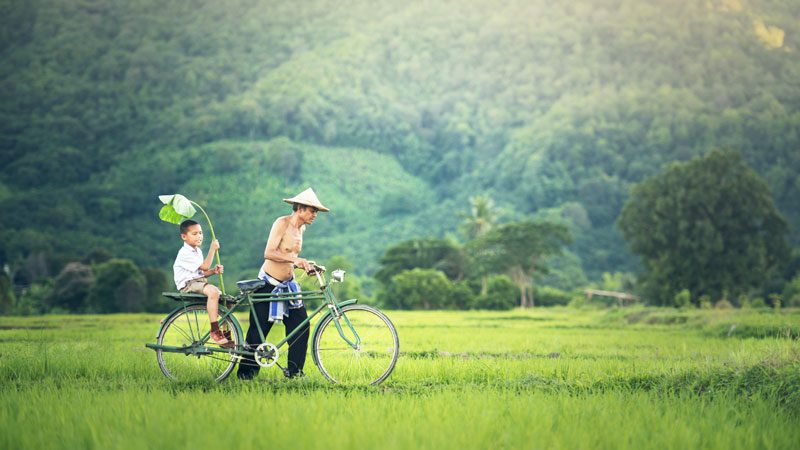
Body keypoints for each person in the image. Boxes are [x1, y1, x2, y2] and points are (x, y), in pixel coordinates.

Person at [237, 188, 330, 380]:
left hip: (289, 285)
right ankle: (245, 376)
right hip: (268, 284)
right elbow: (269, 253)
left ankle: (295, 373)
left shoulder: (301, 229)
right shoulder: (282, 223)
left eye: (316, 212)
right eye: (313, 211)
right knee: (258, 332)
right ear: (301, 208)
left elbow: (291, 257)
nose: (315, 215)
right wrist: (296, 261)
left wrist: (307, 265)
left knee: (301, 326)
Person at [172, 219, 232, 348]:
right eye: (194, 234)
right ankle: (215, 330)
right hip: (188, 284)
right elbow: (204, 266)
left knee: (228, 301)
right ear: (184, 237)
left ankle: (227, 333)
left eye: (200, 233)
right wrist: (212, 249)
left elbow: (202, 273)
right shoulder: (184, 253)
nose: (199, 236)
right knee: (213, 291)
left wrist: (213, 271)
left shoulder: (197, 251)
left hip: (198, 281)